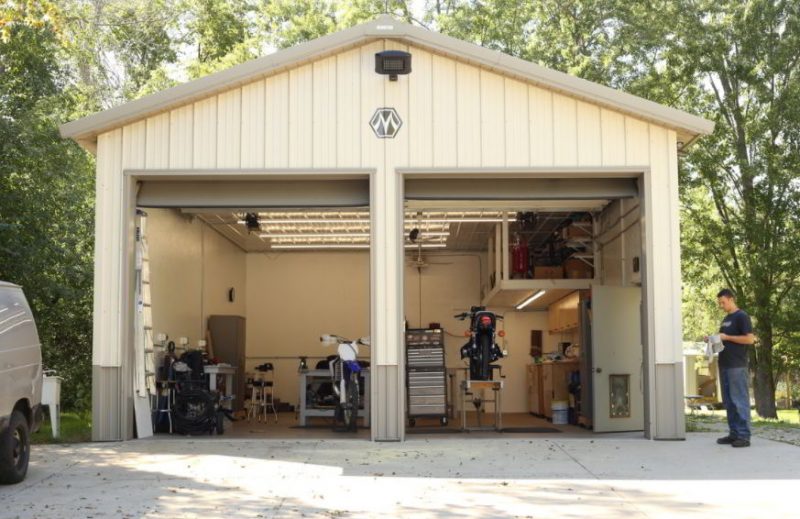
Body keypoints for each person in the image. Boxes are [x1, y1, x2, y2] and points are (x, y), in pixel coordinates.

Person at [711, 289, 755, 448]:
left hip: (737, 366)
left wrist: (727, 337)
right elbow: (723, 341)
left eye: (723, 302)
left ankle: (744, 436)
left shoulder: (741, 316)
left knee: (739, 400)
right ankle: (734, 433)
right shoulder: (726, 319)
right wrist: (712, 340)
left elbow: (750, 339)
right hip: (724, 364)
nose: (721, 305)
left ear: (731, 299)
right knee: (729, 402)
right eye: (720, 303)